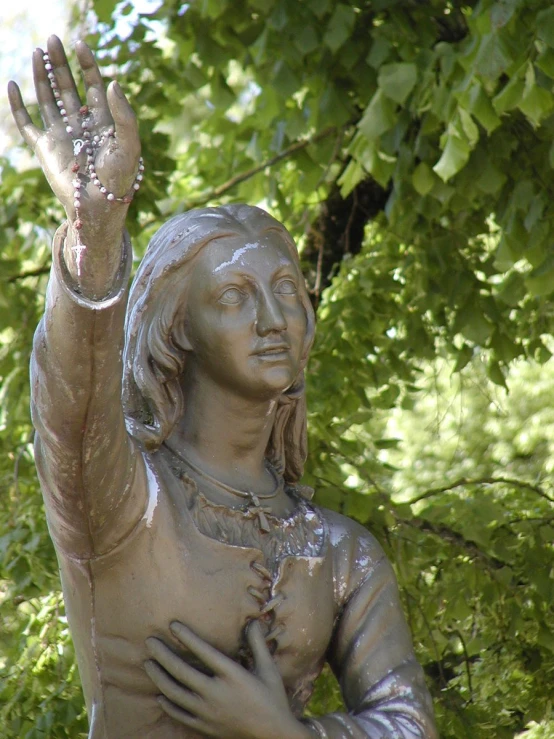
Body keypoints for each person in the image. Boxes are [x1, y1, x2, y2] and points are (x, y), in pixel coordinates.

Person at [8, 35, 438, 739]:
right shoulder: (119, 503)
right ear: (178, 330)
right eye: (236, 297)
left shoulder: (341, 551)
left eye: (287, 290)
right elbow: (71, 407)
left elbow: (409, 724)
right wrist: (94, 231)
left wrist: (286, 732)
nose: (275, 319)